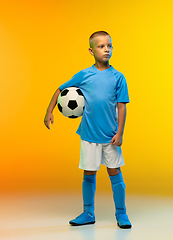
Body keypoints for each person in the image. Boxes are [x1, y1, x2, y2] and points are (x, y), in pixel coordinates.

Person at [44, 31, 131, 229]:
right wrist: (49, 112)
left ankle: (122, 213)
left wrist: (120, 133)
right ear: (91, 51)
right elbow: (60, 89)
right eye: (101, 46)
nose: (106, 49)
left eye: (109, 45)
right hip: (89, 135)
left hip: (110, 136)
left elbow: (122, 106)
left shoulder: (118, 77)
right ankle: (88, 212)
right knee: (89, 173)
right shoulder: (84, 75)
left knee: (114, 172)